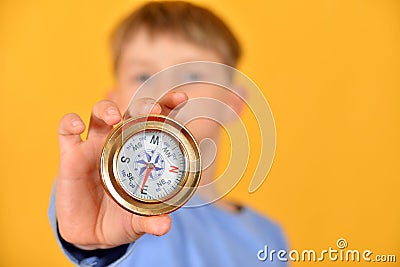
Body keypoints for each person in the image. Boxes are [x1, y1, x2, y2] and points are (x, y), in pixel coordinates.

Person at [48, 1, 287, 266]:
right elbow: (102, 236)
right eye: (142, 76)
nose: (164, 89)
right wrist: (97, 247)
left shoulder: (268, 238)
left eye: (192, 73)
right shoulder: (123, 215)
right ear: (116, 101)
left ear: (232, 103)